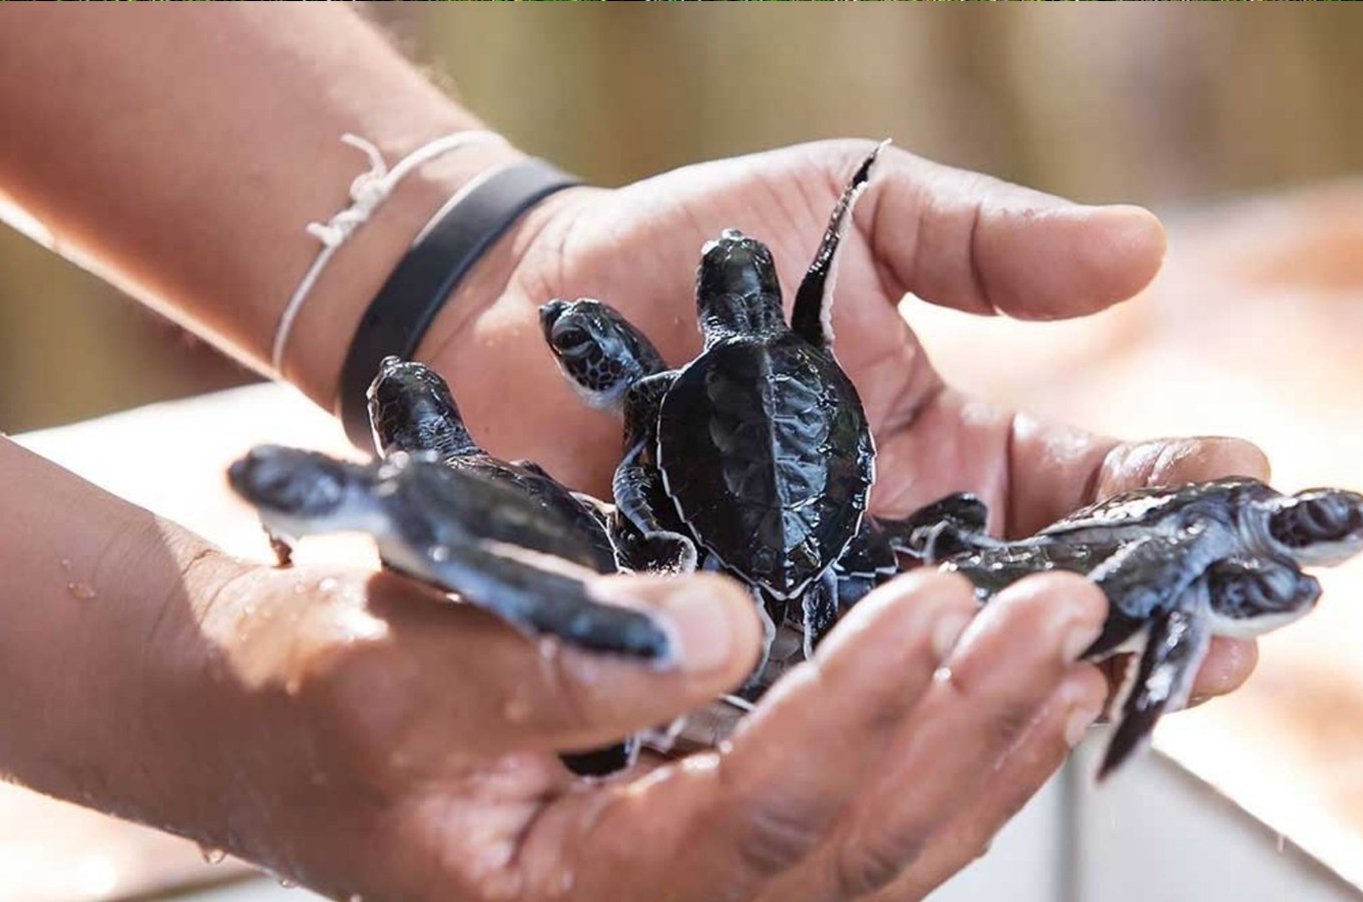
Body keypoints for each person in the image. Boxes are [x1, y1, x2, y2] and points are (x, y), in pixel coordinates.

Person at [0, 8, 1266, 902]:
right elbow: (631, 375)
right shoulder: (734, 367)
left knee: (603, 558)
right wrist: (202, 677)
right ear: (776, 299)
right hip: (798, 533)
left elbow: (599, 369)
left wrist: (466, 261)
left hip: (695, 533)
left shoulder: (653, 388)